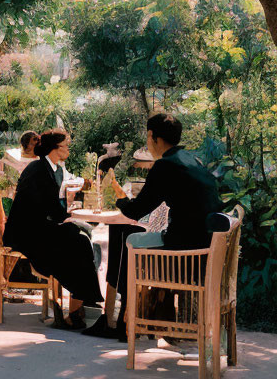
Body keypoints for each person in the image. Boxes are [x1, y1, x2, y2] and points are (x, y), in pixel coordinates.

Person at [84, 113, 222, 339]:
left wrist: (119, 197)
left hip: (183, 254)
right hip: (205, 248)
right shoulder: (191, 160)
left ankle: (124, 322)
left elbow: (136, 211)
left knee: (128, 238)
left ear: (152, 137)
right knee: (132, 235)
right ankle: (134, 317)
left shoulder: (165, 165)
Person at [3, 128, 103, 329]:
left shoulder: (51, 169)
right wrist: (70, 213)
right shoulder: (39, 171)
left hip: (37, 227)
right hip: (28, 235)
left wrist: (69, 213)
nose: (68, 149)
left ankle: (81, 303)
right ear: (54, 149)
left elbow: (52, 207)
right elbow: (51, 210)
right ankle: (79, 307)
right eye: (65, 146)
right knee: (79, 241)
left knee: (80, 238)